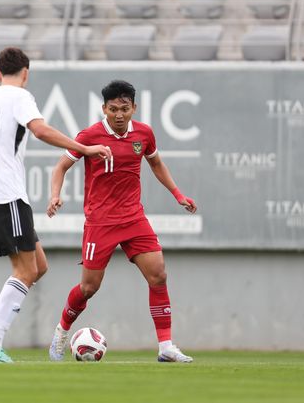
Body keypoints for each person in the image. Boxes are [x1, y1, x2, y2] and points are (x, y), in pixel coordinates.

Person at [0, 47, 112, 363]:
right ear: (26, 73)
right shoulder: (20, 96)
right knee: (25, 270)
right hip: (7, 195)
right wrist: (84, 148)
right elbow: (40, 129)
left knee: (38, 266)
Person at [46, 80, 197, 363]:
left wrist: (178, 194)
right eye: (112, 109)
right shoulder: (89, 136)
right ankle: (61, 331)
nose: (118, 115)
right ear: (103, 108)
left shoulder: (144, 134)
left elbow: (156, 163)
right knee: (89, 288)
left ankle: (166, 346)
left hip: (133, 218)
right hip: (100, 222)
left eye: (124, 109)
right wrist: (55, 195)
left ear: (133, 108)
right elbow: (60, 167)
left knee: (158, 274)